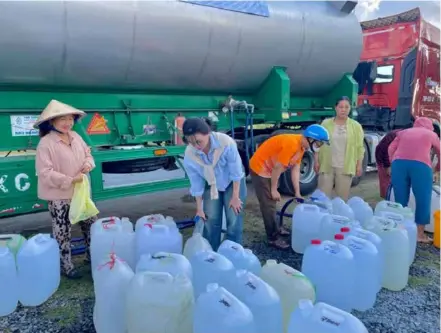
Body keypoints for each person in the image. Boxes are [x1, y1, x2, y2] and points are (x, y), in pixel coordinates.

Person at [35, 99, 97, 279]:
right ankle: (66, 266)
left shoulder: (76, 137)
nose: (67, 123)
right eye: (62, 119)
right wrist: (70, 180)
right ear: (51, 122)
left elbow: (88, 154)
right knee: (62, 231)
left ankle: (91, 257)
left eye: (70, 119)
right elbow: (44, 172)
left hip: (81, 194)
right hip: (59, 195)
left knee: (90, 224)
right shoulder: (46, 143)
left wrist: (87, 164)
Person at [249, 125, 330, 250]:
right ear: (311, 139)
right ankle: (273, 238)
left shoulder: (302, 146)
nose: (319, 146)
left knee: (273, 200)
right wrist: (274, 189)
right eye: (319, 143)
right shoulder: (292, 144)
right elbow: (277, 168)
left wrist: (297, 192)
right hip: (260, 168)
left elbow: (295, 169)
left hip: (272, 168)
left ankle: (276, 227)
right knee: (268, 202)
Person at [182, 117, 247, 251]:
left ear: (208, 133)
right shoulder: (190, 154)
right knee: (210, 219)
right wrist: (199, 208)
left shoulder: (225, 143)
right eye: (191, 142)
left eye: (198, 141)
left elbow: (236, 172)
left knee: (233, 218)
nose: (196, 146)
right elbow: (196, 183)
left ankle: (233, 252)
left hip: (232, 182)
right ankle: (212, 254)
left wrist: (235, 197)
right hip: (211, 184)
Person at [388, 117, 440, 243]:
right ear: (430, 126)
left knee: (400, 199)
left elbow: (390, 148)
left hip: (399, 164)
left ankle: (400, 231)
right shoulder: (431, 134)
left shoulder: (403, 132)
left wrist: (393, 162)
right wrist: (438, 169)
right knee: (423, 199)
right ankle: (419, 234)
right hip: (421, 166)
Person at [314, 96, 365, 201]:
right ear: (335, 108)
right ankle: (324, 217)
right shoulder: (326, 123)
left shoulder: (356, 126)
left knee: (341, 200)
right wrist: (316, 161)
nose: (343, 110)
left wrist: (359, 165)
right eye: (341, 107)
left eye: (346, 107)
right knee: (322, 198)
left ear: (350, 108)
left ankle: (338, 217)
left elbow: (360, 147)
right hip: (327, 165)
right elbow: (318, 143)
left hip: (345, 167)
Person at [375, 129, 402, 198]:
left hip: (393, 158)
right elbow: (386, 151)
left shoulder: (404, 134)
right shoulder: (396, 135)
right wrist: (387, 166)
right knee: (386, 182)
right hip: (383, 158)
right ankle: (387, 201)